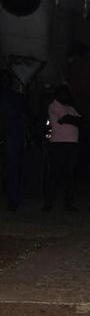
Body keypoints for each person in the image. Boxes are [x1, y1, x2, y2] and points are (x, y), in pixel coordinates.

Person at [44, 84, 84, 212]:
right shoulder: (54, 105)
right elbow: (67, 119)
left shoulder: (70, 107)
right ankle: (48, 203)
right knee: (54, 175)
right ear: (58, 94)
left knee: (70, 176)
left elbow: (81, 121)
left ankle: (68, 204)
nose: (67, 95)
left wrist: (70, 120)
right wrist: (72, 120)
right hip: (58, 144)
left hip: (71, 144)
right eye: (64, 93)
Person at [0, 70, 26, 211]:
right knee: (13, 172)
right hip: (12, 138)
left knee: (13, 172)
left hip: (12, 138)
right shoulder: (17, 97)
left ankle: (13, 202)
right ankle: (13, 202)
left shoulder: (17, 97)